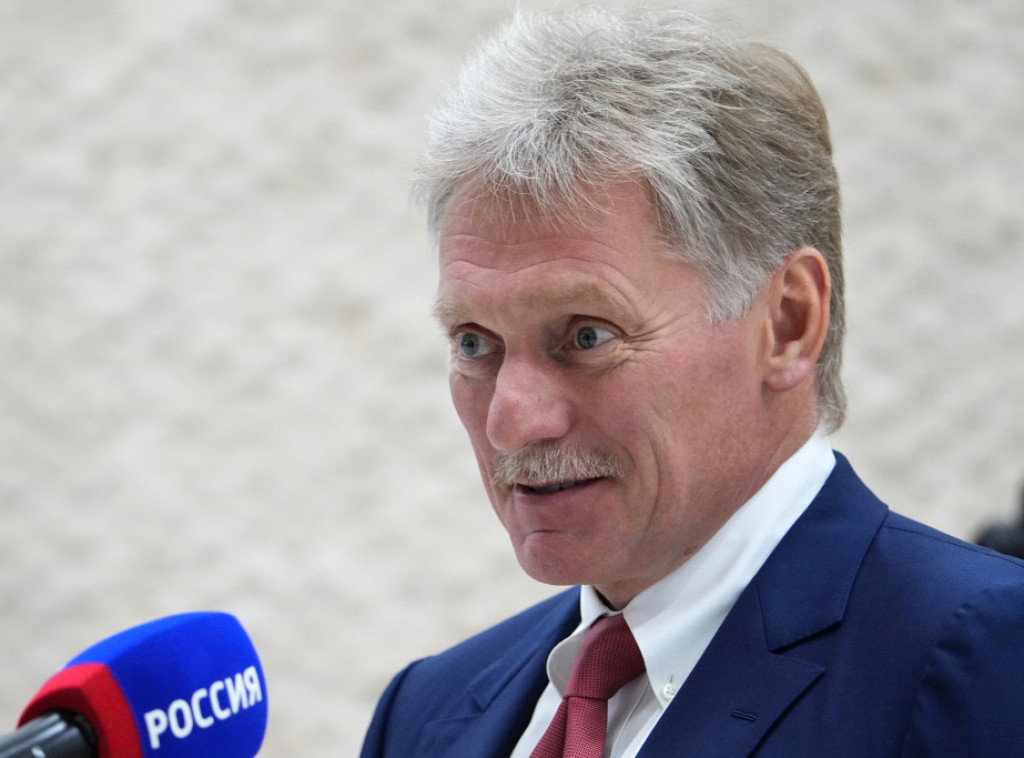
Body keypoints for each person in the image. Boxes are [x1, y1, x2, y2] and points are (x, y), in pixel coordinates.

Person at [361, 8, 1024, 757]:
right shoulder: (424, 714)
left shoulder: (984, 660)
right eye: (475, 343)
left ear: (788, 322)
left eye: (586, 335)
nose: (510, 420)